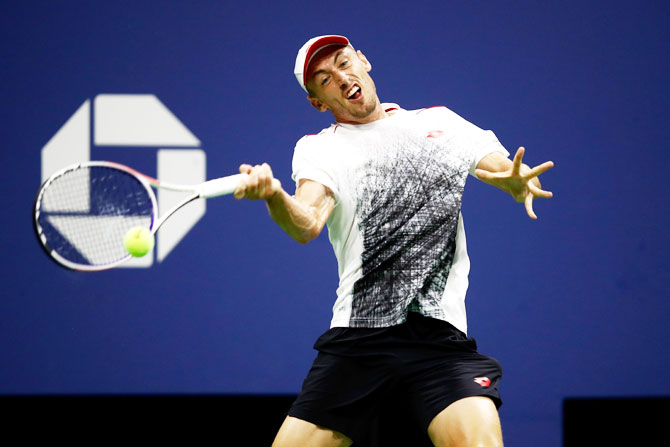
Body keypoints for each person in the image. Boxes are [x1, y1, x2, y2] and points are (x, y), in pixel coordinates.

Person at [234, 35, 554, 447]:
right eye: (325, 79)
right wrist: (275, 197)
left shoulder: (440, 122)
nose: (341, 76)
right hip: (358, 344)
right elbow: (307, 222)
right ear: (318, 101)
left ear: (363, 61)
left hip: (438, 342)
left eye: (344, 62)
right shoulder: (320, 149)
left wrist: (516, 181)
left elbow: (510, 172)